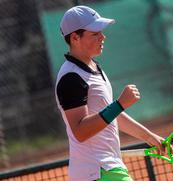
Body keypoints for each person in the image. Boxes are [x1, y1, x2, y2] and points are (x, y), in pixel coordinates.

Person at [55, 5, 165, 181]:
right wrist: (119, 104)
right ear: (75, 37)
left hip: (105, 170)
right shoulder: (71, 78)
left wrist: (149, 136)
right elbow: (80, 131)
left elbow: (109, 115)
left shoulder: (93, 68)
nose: (103, 37)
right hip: (97, 171)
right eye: (95, 33)